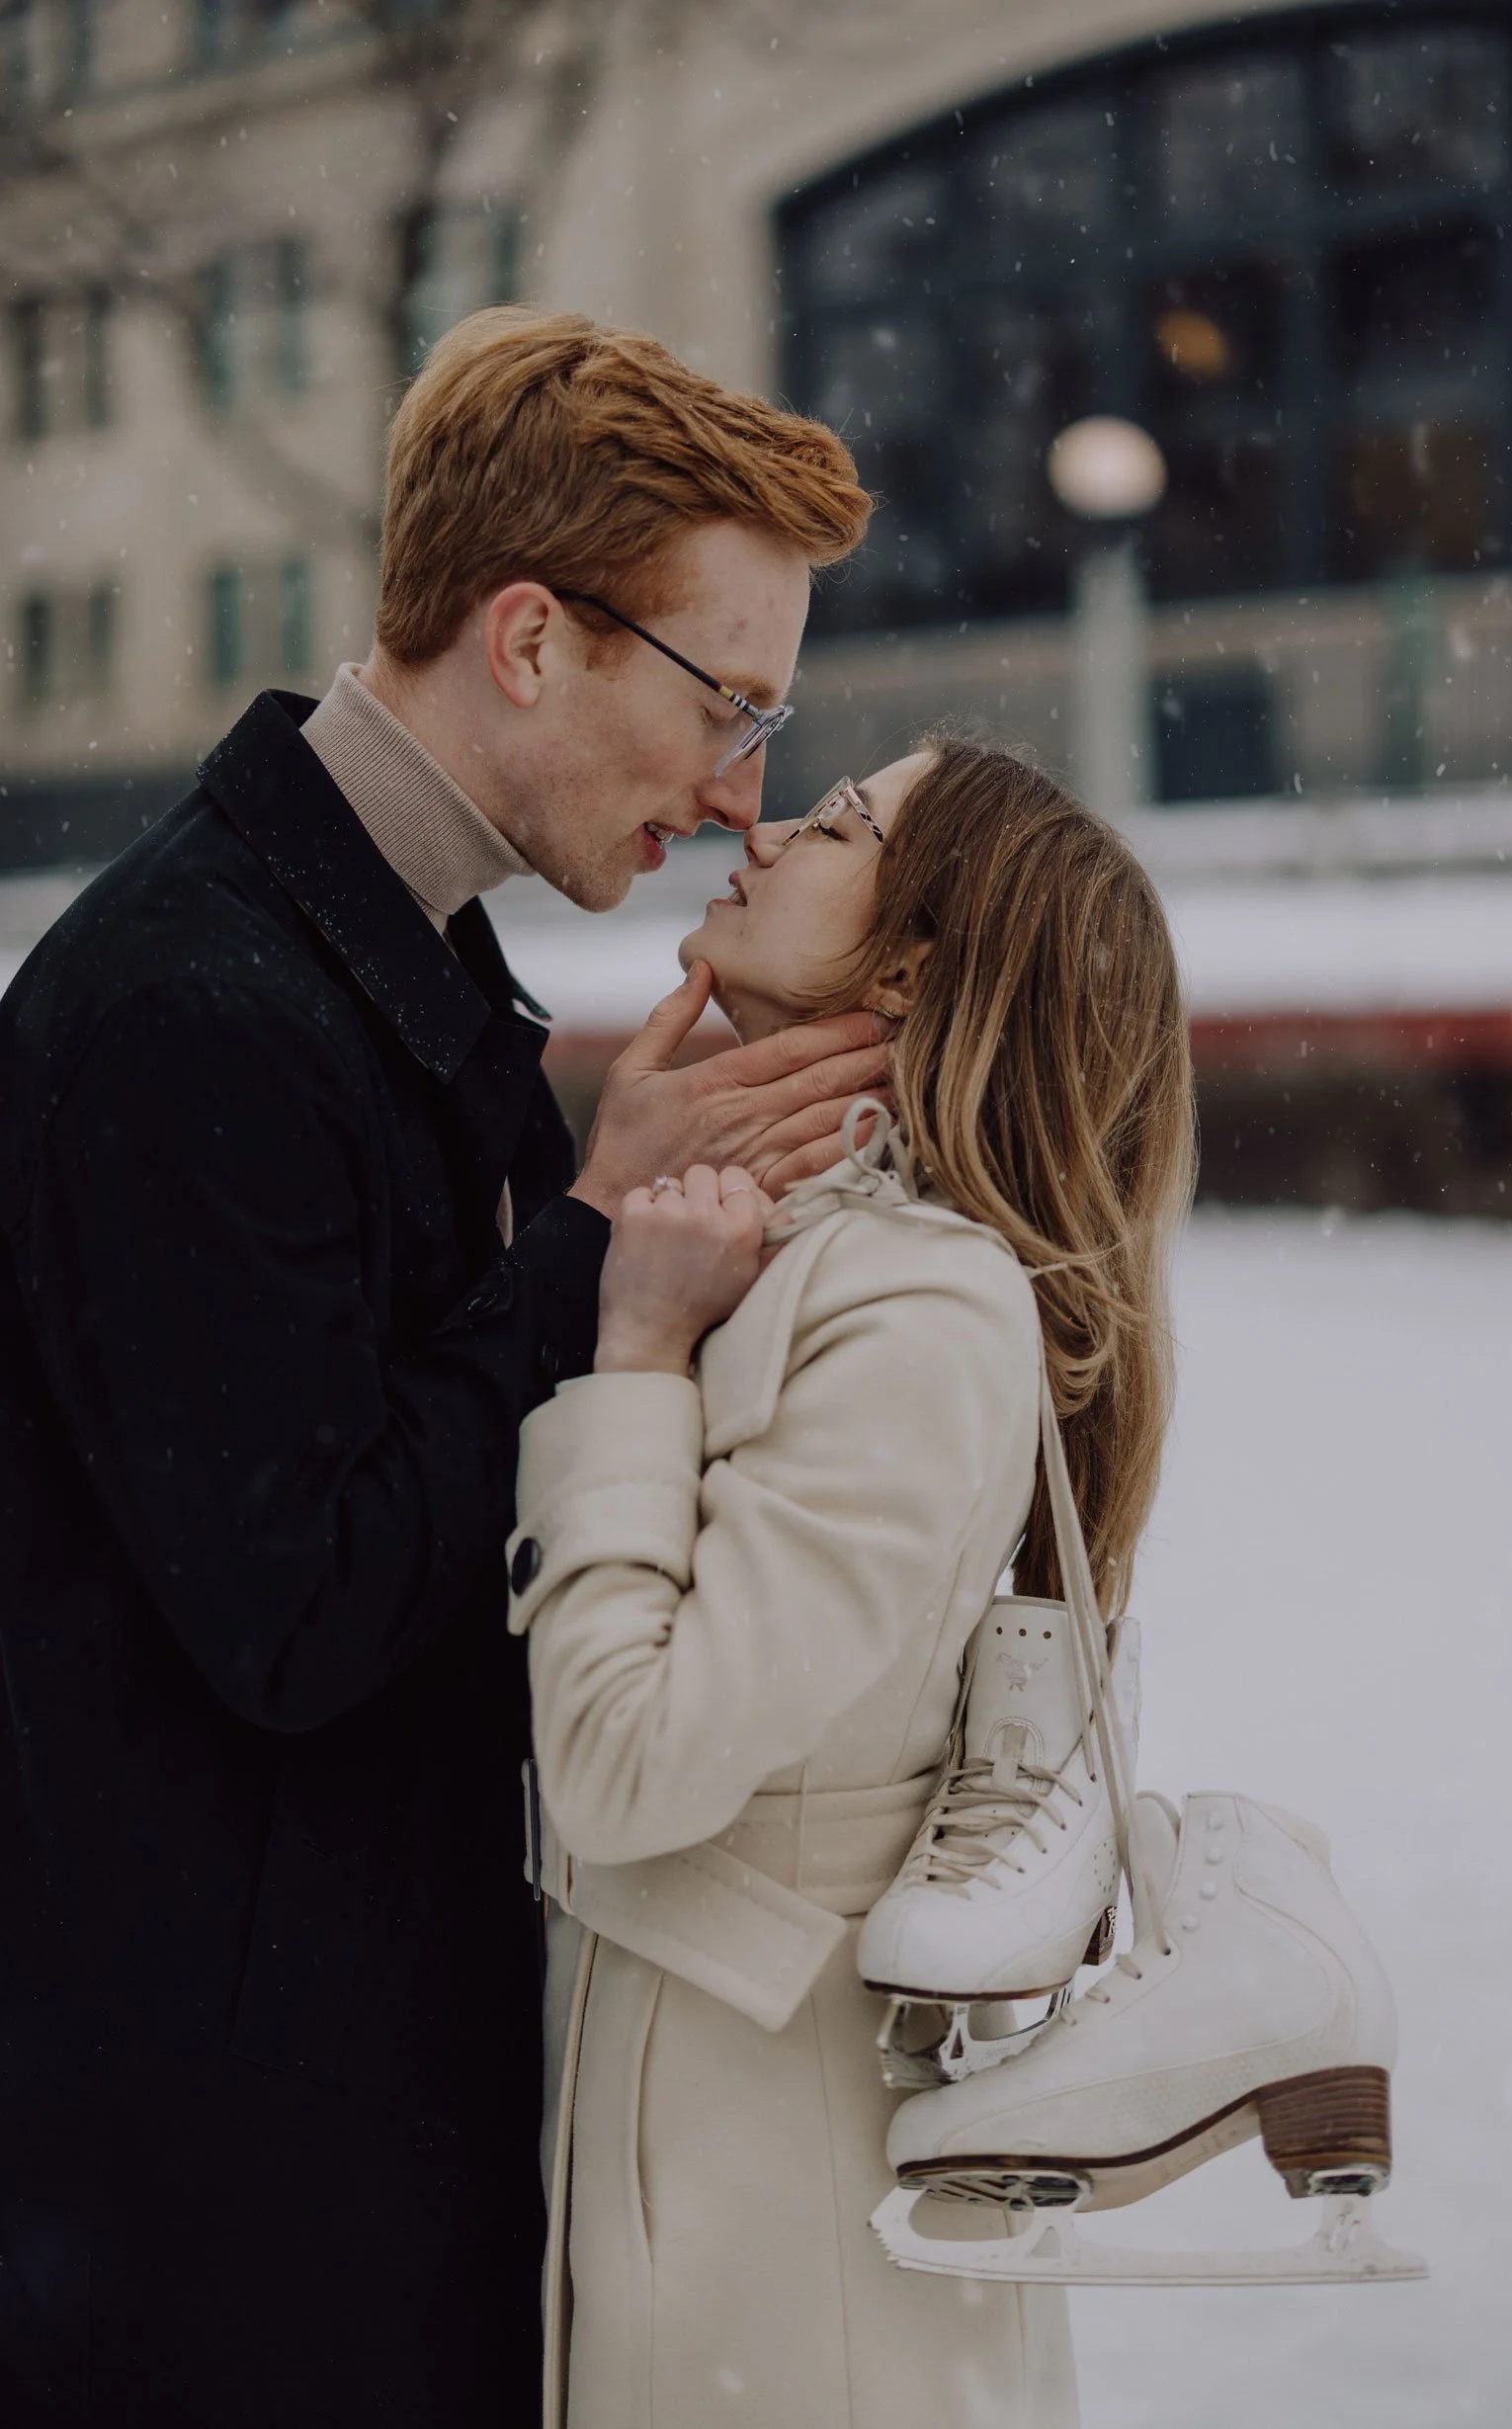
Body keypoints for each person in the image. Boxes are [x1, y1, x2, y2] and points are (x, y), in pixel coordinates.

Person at [0, 309, 885, 2428]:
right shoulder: (190, 1006)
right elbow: (299, 1601)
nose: (743, 790)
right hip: (225, 2224)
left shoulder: (351, 953)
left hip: (305, 2132)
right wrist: (591, 1251)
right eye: (728, 703)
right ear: (529, 637)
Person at [509, 737, 1197, 2427]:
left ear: (906, 969)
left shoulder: (918, 1309)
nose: (762, 827)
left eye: (834, 825)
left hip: (788, 2227)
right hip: (706, 2162)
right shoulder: (798, 1251)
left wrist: (632, 1350)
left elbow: (626, 1766)